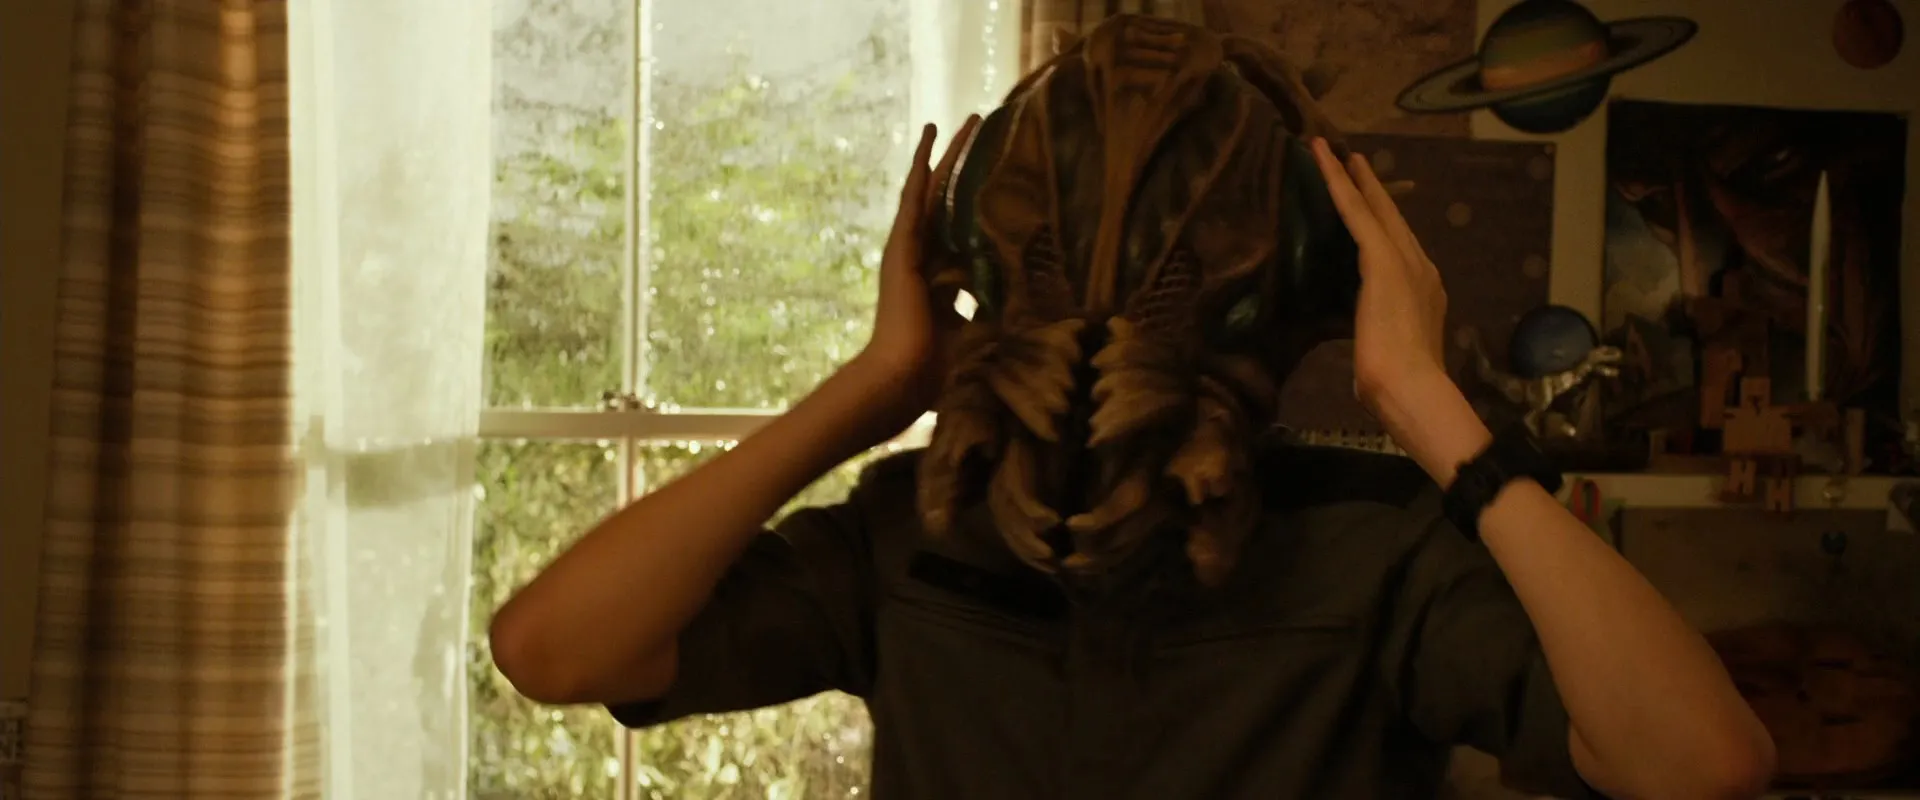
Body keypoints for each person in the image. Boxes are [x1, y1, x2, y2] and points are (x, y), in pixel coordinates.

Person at [491, 17, 1774, 799]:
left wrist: (876, 388)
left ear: (970, 261)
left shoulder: (914, 535)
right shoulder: (1376, 543)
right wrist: (1426, 401)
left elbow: (1697, 761)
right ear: (1320, 274)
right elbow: (558, 647)